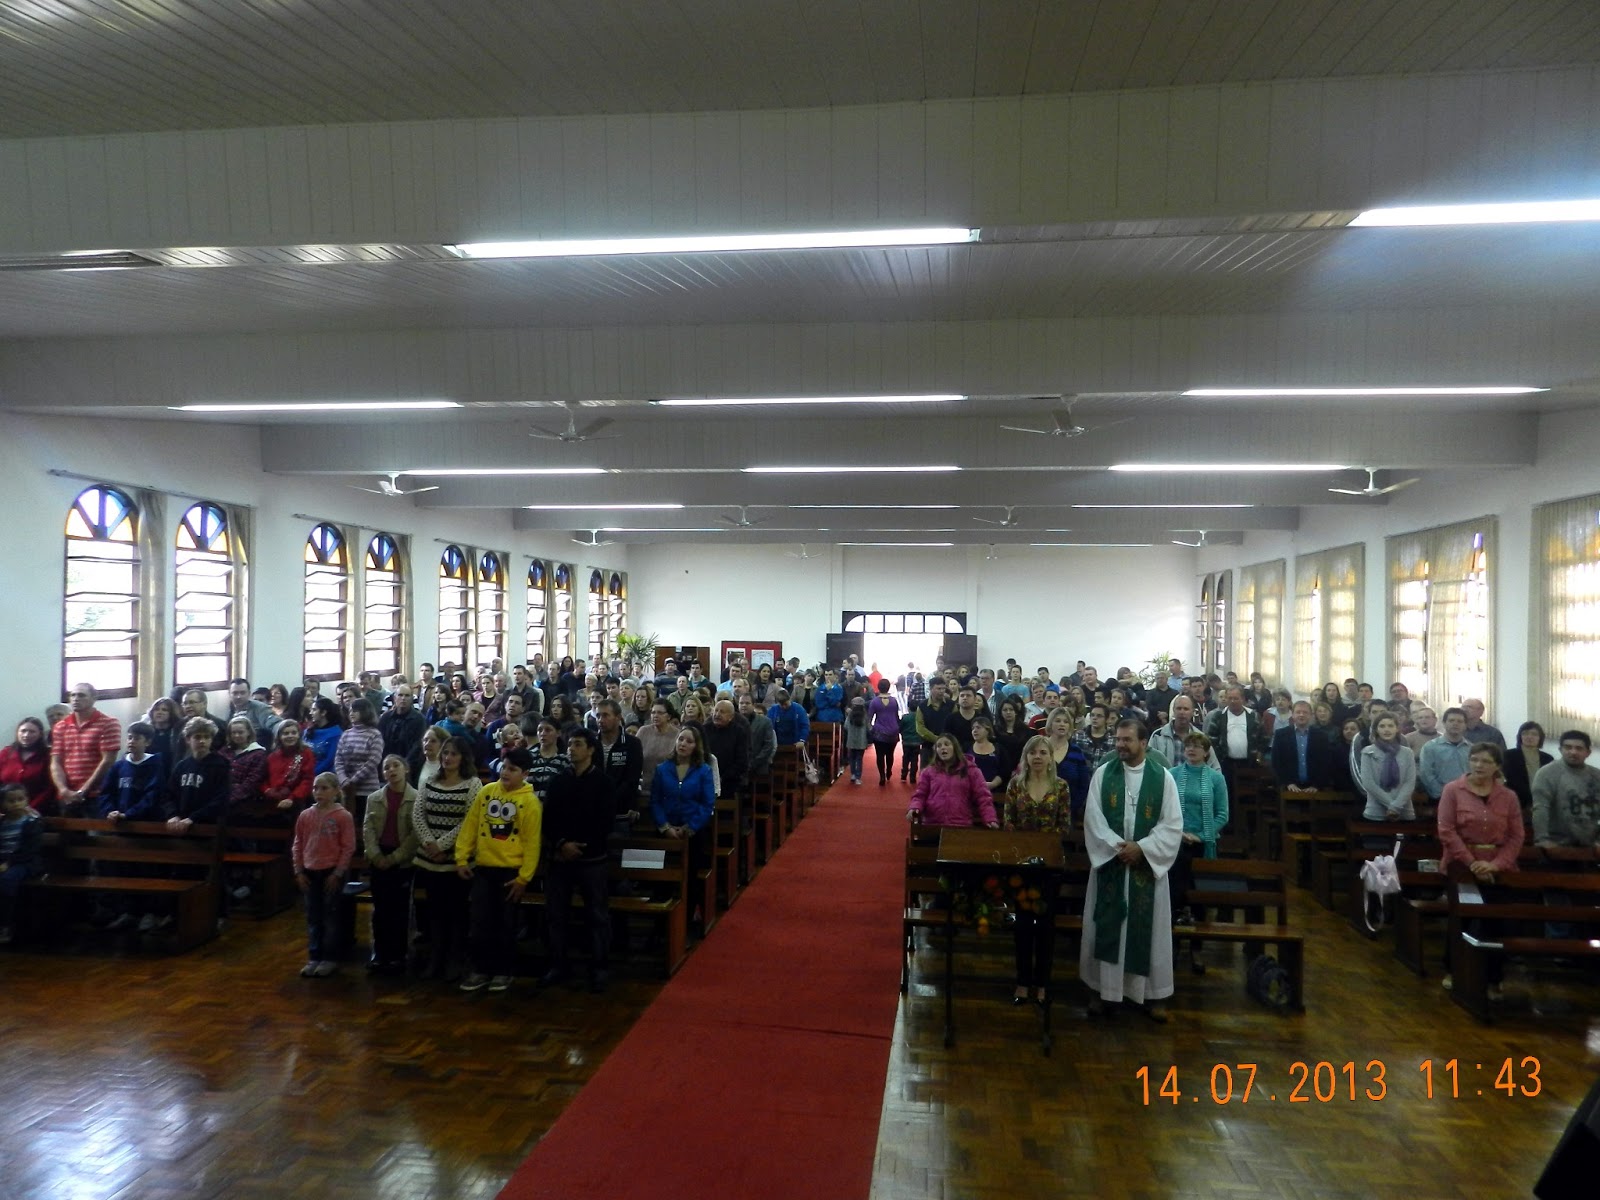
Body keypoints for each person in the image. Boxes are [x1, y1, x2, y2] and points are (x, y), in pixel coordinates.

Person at [1080, 720, 1183, 1022]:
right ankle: (1103, 991)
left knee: (1147, 933)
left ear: (1143, 743)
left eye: (1127, 740)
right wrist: (1117, 847)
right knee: (1106, 928)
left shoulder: (1162, 778)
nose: (1120, 744)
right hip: (1111, 864)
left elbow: (1172, 824)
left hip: (1145, 869)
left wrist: (1144, 848)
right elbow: (1093, 818)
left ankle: (1151, 994)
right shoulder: (1103, 774)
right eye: (1118, 739)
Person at [1437, 742, 1524, 995]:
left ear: (1497, 766)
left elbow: (1516, 836)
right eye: (1475, 760)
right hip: (1461, 865)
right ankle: (1455, 970)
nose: (1479, 765)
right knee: (1462, 919)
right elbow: (1446, 830)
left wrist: (1495, 865)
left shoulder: (1508, 796)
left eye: (1486, 761)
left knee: (1495, 923)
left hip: (1498, 866)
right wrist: (1472, 862)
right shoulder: (1453, 790)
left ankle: (1493, 978)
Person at [455, 746, 540, 994]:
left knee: (505, 925)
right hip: (484, 868)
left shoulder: (530, 803)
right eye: (504, 767)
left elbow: (531, 843)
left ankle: (503, 971)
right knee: (480, 922)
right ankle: (481, 969)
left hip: (510, 873)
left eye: (513, 769)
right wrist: (462, 857)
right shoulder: (486, 792)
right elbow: (470, 826)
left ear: (525, 773)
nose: (506, 772)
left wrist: (524, 878)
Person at [541, 728, 617, 992]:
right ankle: (559, 965)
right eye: (570, 744)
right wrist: (562, 844)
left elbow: (604, 822)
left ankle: (599, 967)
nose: (571, 749)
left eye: (577, 745)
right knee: (556, 914)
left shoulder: (603, 783)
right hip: (560, 858)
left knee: (597, 915)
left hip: (592, 858)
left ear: (591, 750)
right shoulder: (558, 781)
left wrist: (579, 846)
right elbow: (548, 817)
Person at [1002, 735, 1070, 1005]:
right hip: (1022, 865)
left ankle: (1042, 982)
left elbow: (1064, 825)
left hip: (1049, 865)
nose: (1038, 757)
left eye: (1043, 752)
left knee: (1045, 927)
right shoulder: (1016, 785)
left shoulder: (1061, 787)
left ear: (1051, 756)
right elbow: (1009, 822)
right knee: (1023, 927)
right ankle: (1022, 980)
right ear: (1026, 757)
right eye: (1033, 753)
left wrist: (1043, 846)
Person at [412, 736, 481, 981]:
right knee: (435, 913)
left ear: (463, 757)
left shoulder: (473, 784)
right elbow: (418, 815)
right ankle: (436, 958)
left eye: (453, 754)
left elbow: (469, 821)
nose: (448, 758)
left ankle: (455, 959)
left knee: (457, 912)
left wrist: (442, 845)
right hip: (430, 860)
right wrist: (430, 843)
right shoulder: (430, 781)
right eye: (445, 753)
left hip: (456, 860)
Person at [1168, 731, 1229, 975]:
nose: (1191, 750)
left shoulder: (1216, 779)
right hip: (1177, 842)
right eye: (1188, 746)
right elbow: (1166, 810)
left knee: (1199, 899)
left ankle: (1196, 948)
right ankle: (1173, 946)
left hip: (1204, 844)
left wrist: (1203, 835)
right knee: (1176, 896)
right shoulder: (1172, 775)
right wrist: (1180, 832)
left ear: (1206, 752)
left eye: (1197, 747)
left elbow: (1223, 814)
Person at [292, 772, 356, 978]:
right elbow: (298, 844)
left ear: (336, 791)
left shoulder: (342, 816)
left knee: (331, 916)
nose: (318, 792)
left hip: (331, 872)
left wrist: (338, 873)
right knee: (313, 916)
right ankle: (314, 956)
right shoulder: (305, 815)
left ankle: (330, 957)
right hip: (310, 871)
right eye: (315, 788)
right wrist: (299, 870)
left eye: (324, 788)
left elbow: (348, 847)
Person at [362, 755, 418, 974]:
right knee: (380, 909)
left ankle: (398, 954)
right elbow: (368, 829)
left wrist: (394, 858)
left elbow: (415, 834)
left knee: (400, 909)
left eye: (396, 766)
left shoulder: (415, 798)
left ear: (406, 769)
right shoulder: (374, 798)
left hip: (402, 859)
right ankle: (379, 953)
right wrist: (376, 856)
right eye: (386, 767)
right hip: (379, 857)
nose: (391, 770)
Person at [651, 726, 717, 901]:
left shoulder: (703, 771)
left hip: (692, 831)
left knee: (690, 876)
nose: (683, 744)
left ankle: (689, 915)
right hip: (666, 830)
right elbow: (655, 801)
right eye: (681, 739)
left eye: (689, 741)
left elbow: (707, 804)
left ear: (696, 746)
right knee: (662, 877)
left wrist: (690, 827)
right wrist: (665, 827)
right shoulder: (663, 769)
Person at [49, 682, 121, 814]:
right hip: (67, 795)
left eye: (81, 695)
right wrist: (63, 789)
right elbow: (56, 762)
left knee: (100, 834)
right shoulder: (60, 726)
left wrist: (83, 791)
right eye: (73, 695)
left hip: (97, 794)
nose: (76, 699)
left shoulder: (108, 723)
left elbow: (107, 761)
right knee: (68, 834)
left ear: (94, 698)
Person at [906, 735, 997, 829]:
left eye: (946, 744)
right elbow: (920, 794)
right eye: (939, 746)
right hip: (932, 824)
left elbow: (983, 796)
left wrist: (990, 818)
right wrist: (914, 807)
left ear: (955, 748)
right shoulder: (928, 772)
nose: (943, 748)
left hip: (960, 825)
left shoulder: (971, 771)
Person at [1530, 731, 1600, 853]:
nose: (1573, 752)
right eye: (1568, 747)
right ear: (1560, 749)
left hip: (1591, 847)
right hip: (1556, 846)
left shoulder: (1596, 776)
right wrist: (1542, 840)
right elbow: (1540, 808)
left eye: (1579, 748)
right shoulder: (1546, 774)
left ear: (1588, 752)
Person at [0, 783, 45, 945]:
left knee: (6, 881)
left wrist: (9, 862)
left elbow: (30, 849)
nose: (17, 804)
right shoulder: (2, 822)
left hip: (25, 863)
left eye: (21, 799)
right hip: (4, 862)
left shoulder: (32, 822)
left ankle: (5, 925)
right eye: (11, 801)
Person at [103, 722, 167, 822]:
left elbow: (152, 796)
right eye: (129, 738)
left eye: (136, 738)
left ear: (147, 742)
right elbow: (106, 792)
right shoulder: (118, 766)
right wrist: (110, 811)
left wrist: (129, 814)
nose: (131, 741)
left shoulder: (155, 766)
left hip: (146, 822)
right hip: (118, 821)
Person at [1357, 713, 1417, 821]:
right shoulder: (1368, 752)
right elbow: (1368, 783)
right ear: (1376, 730)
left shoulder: (1407, 753)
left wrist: (1397, 806)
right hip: (1376, 811)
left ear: (1397, 729)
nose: (1386, 729)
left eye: (1390, 726)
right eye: (1382, 726)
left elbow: (1409, 782)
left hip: (1404, 810)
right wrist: (1392, 805)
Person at [335, 698, 384, 824]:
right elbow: (338, 759)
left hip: (367, 790)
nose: (351, 713)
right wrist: (344, 780)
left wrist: (353, 780)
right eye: (350, 710)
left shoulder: (375, 734)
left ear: (365, 712)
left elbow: (373, 760)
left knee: (365, 825)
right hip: (346, 789)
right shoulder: (346, 734)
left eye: (355, 711)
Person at [1269, 701, 1334, 792]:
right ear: (1292, 714)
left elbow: (1325, 762)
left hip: (1315, 788)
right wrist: (1288, 782)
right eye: (1298, 712)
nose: (1301, 715)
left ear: (1311, 715)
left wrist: (1316, 785)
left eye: (1305, 712)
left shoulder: (1321, 736)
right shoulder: (1281, 734)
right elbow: (1276, 762)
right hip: (1288, 787)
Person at [262, 721, 318, 818]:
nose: (290, 736)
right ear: (279, 736)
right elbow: (263, 778)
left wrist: (292, 798)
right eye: (286, 733)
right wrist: (267, 790)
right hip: (272, 798)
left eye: (293, 733)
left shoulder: (306, 753)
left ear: (299, 735)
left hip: (296, 800)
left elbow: (307, 780)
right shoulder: (272, 756)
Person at [1, 718, 58, 812]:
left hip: (37, 809)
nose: (26, 735)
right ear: (17, 732)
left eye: (32, 732)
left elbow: (50, 787)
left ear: (40, 734)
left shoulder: (48, 755)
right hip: (5, 810)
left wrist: (30, 808)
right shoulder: (6, 752)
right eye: (23, 731)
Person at [1419, 707, 1473, 801]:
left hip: (1468, 796)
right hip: (1439, 797)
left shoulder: (1472, 749)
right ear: (1444, 723)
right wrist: (1443, 794)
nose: (1455, 724)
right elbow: (1426, 774)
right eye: (1451, 720)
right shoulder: (1430, 747)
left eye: (1460, 721)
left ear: (1465, 725)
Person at [1502, 721, 1553, 813]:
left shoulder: (1547, 758)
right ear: (1520, 736)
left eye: (1534, 734)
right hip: (1516, 802)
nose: (1529, 737)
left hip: (1541, 803)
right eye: (1525, 733)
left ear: (1540, 738)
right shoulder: (1509, 755)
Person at [866, 680, 901, 787]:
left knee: (880, 755)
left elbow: (869, 718)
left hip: (879, 732)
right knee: (890, 754)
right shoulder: (894, 701)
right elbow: (896, 716)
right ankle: (889, 771)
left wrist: (871, 729)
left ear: (878, 687)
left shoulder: (875, 702)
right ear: (889, 687)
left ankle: (882, 775)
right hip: (893, 731)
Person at [226, 678, 282, 745]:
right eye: (235, 693)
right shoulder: (230, 710)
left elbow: (275, 724)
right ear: (229, 694)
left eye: (242, 693)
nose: (239, 696)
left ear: (249, 694)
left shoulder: (260, 708)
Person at [842, 696, 870, 785]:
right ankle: (858, 777)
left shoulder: (850, 716)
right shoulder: (865, 716)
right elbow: (869, 728)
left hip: (851, 740)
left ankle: (853, 774)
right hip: (861, 742)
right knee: (859, 759)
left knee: (852, 758)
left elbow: (845, 726)